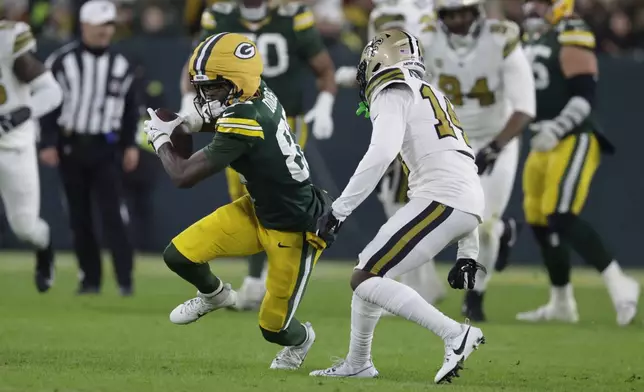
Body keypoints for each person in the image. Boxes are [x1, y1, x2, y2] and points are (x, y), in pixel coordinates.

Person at [145, 33, 331, 370]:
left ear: (237, 81)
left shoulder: (244, 120)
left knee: (273, 328)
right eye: (201, 87)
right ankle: (215, 295)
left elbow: (182, 176)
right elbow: (219, 118)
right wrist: (182, 122)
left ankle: (302, 339)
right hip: (257, 209)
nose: (204, 95)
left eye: (212, 87)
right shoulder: (259, 92)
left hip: (294, 228)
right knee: (179, 256)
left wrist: (161, 141)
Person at [310, 30, 486, 384]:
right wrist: (469, 248)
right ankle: (358, 363)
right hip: (459, 198)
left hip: (441, 197)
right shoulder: (431, 91)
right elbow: (462, 164)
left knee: (366, 276)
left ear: (379, 58)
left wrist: (340, 210)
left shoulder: (392, 86)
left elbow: (382, 153)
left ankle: (455, 333)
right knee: (371, 270)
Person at [179, 0, 337, 311]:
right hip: (234, 118)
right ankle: (257, 277)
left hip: (282, 119)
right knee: (243, 192)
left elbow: (324, 68)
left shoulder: (293, 17)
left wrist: (326, 103)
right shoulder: (220, 16)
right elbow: (195, 64)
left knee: (275, 191)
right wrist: (188, 98)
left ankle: (271, 276)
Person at [517, 0, 640, 326]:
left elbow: (585, 94)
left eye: (542, 3)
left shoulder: (571, 31)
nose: (532, 8)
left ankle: (619, 282)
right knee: (539, 220)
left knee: (561, 214)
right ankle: (561, 302)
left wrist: (558, 127)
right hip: (540, 139)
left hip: (572, 136)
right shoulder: (532, 39)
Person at [420, 0, 536, 321]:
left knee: (484, 227)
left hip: (497, 137)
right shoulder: (427, 39)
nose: (457, 20)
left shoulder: (501, 38)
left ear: (477, 12)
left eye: (463, 13)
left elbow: (524, 107)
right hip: (452, 139)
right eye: (451, 14)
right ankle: (505, 232)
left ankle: (476, 294)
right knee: (455, 220)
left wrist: (496, 147)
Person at [334, 0, 446, 308]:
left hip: (406, 101)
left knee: (402, 198)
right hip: (432, 105)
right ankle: (424, 280)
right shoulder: (429, 12)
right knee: (400, 196)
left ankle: (413, 283)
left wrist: (356, 74)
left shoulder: (391, 15)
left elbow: (386, 60)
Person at [39, 0, 139, 295]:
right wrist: (47, 141)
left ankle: (125, 280)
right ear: (84, 25)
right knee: (79, 217)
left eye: (109, 25)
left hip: (105, 147)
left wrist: (130, 144)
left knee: (114, 216)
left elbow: (131, 109)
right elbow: (47, 106)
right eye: (100, 25)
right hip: (71, 145)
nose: (105, 31)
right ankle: (90, 279)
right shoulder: (61, 61)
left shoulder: (122, 64)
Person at [0, 19, 62, 292]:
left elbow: (51, 92)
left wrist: (18, 115)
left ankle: (44, 248)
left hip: (12, 144)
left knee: (25, 227)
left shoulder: (8, 39)